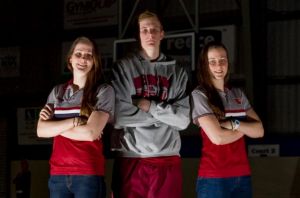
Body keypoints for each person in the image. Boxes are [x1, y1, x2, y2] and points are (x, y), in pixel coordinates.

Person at [111, 10, 190, 198]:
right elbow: (119, 116)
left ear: (162, 33)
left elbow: (183, 121)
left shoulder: (178, 73)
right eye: (144, 30)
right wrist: (165, 116)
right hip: (133, 157)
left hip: (168, 157)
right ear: (138, 35)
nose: (150, 34)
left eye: (154, 29)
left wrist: (149, 106)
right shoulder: (124, 67)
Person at [37, 36, 114, 198]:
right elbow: (41, 131)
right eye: (79, 54)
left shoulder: (103, 91)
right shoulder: (57, 92)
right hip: (57, 175)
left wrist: (56, 126)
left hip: (88, 173)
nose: (83, 59)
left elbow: (90, 133)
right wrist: (74, 122)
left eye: (88, 55)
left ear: (95, 61)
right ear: (70, 58)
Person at [191, 41, 264, 198]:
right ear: (205, 65)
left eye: (223, 60)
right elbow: (218, 138)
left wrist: (234, 124)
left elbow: (259, 131)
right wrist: (245, 129)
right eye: (213, 62)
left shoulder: (237, 94)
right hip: (214, 178)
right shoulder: (200, 95)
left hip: (243, 175)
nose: (219, 66)